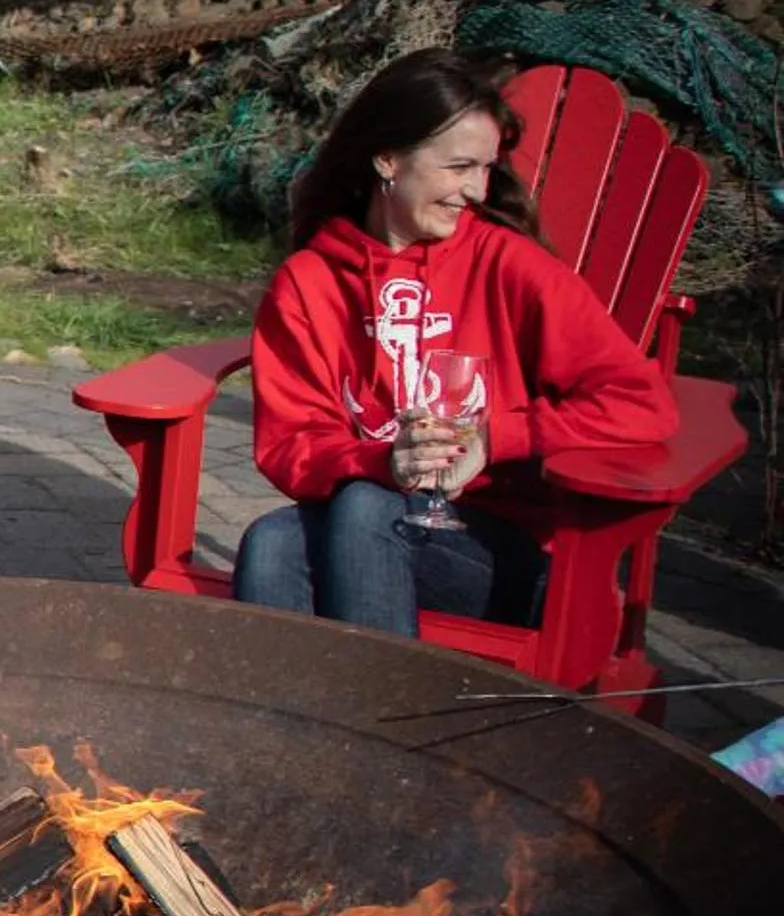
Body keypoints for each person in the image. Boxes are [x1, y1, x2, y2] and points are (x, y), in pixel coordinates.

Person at [234, 49, 678, 635]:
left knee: (362, 509)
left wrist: (496, 436)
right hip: (370, 533)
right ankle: (301, 723)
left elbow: (642, 404)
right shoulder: (309, 285)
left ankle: (377, 720)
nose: (475, 190)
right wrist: (382, 460)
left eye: (486, 168)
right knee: (270, 542)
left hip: (500, 559)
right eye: (459, 166)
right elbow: (290, 445)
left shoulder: (509, 268)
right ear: (388, 159)